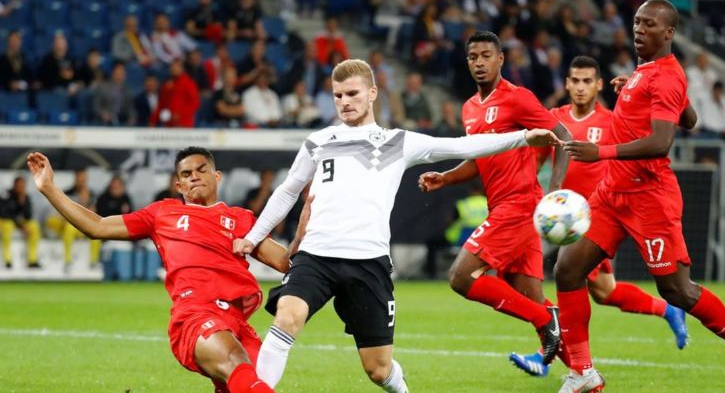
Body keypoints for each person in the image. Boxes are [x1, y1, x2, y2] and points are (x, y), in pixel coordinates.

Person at [231, 58, 562, 391]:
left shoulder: (398, 142)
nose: (345, 102)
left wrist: (522, 138)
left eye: (352, 93)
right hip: (316, 257)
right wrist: (253, 236)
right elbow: (287, 191)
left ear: (372, 93)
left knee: (378, 369)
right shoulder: (319, 141)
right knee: (288, 315)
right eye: (337, 96)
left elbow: (461, 146)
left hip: (368, 264)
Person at [555, 0, 725, 392]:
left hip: (648, 197)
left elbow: (661, 141)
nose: (639, 29)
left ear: (668, 32)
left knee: (677, 290)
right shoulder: (647, 71)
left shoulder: (666, 76)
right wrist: (632, 93)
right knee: (568, 271)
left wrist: (599, 151)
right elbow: (689, 119)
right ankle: (583, 372)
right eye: (636, 21)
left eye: (649, 24)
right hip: (612, 193)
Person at [27, 146, 310, 393]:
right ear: (179, 186)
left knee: (254, 381)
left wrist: (301, 232)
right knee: (236, 363)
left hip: (235, 320)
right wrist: (49, 188)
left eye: (201, 170)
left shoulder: (241, 219)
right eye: (186, 174)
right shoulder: (162, 213)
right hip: (196, 315)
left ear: (217, 176)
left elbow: (285, 262)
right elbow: (97, 227)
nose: (194, 176)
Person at [509, 55, 689, 377]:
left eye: (587, 81)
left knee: (567, 279)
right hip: (562, 217)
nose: (580, 88)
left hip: (596, 215)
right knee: (603, 290)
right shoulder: (554, 119)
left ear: (598, 85)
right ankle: (668, 310)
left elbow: (647, 147)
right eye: (574, 81)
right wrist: (538, 200)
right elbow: (535, 162)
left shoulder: (613, 121)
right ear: (566, 84)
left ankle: (547, 353)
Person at [417, 31, 573, 365]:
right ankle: (583, 373)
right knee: (529, 296)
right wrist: (445, 177)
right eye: (473, 57)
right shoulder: (470, 108)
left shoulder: (517, 98)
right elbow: (477, 160)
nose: (479, 63)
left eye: (487, 55)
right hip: (503, 205)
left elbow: (563, 135)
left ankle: (547, 320)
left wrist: (555, 189)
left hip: (520, 205)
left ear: (501, 59)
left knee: (461, 277)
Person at [45, 169, 101, 268]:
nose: (81, 181)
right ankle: (67, 260)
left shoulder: (91, 195)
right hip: (69, 225)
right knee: (69, 228)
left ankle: (94, 261)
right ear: (75, 179)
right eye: (79, 178)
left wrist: (85, 202)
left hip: (83, 226)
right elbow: (64, 211)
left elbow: (93, 214)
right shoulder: (67, 193)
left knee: (97, 232)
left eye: (83, 178)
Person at [0, 176, 41, 269]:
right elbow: (5, 213)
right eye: (19, 186)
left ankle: (32, 260)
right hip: (5, 221)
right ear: (14, 185)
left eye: (23, 186)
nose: (21, 188)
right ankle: (7, 259)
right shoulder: (6, 194)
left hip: (18, 222)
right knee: (7, 226)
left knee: (34, 226)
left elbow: (28, 216)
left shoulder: (25, 197)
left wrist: (22, 202)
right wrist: (21, 226)